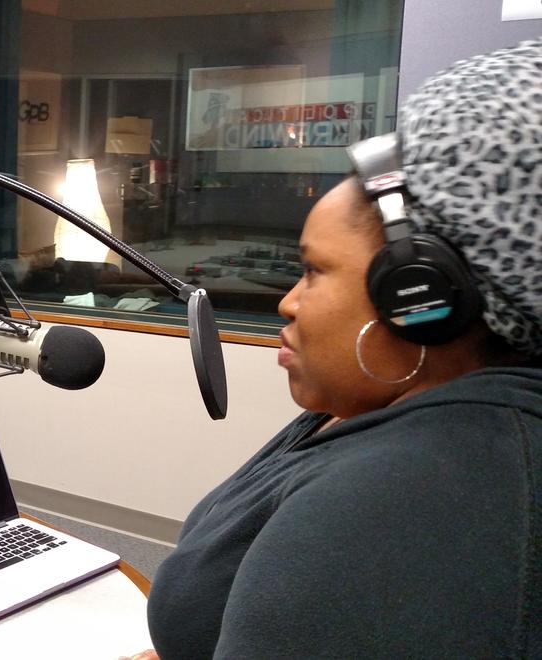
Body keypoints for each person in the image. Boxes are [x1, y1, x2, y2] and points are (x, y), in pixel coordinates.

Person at [127, 39, 542, 659]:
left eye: (315, 271)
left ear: (417, 294)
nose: (289, 302)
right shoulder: (376, 406)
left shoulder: (401, 509)